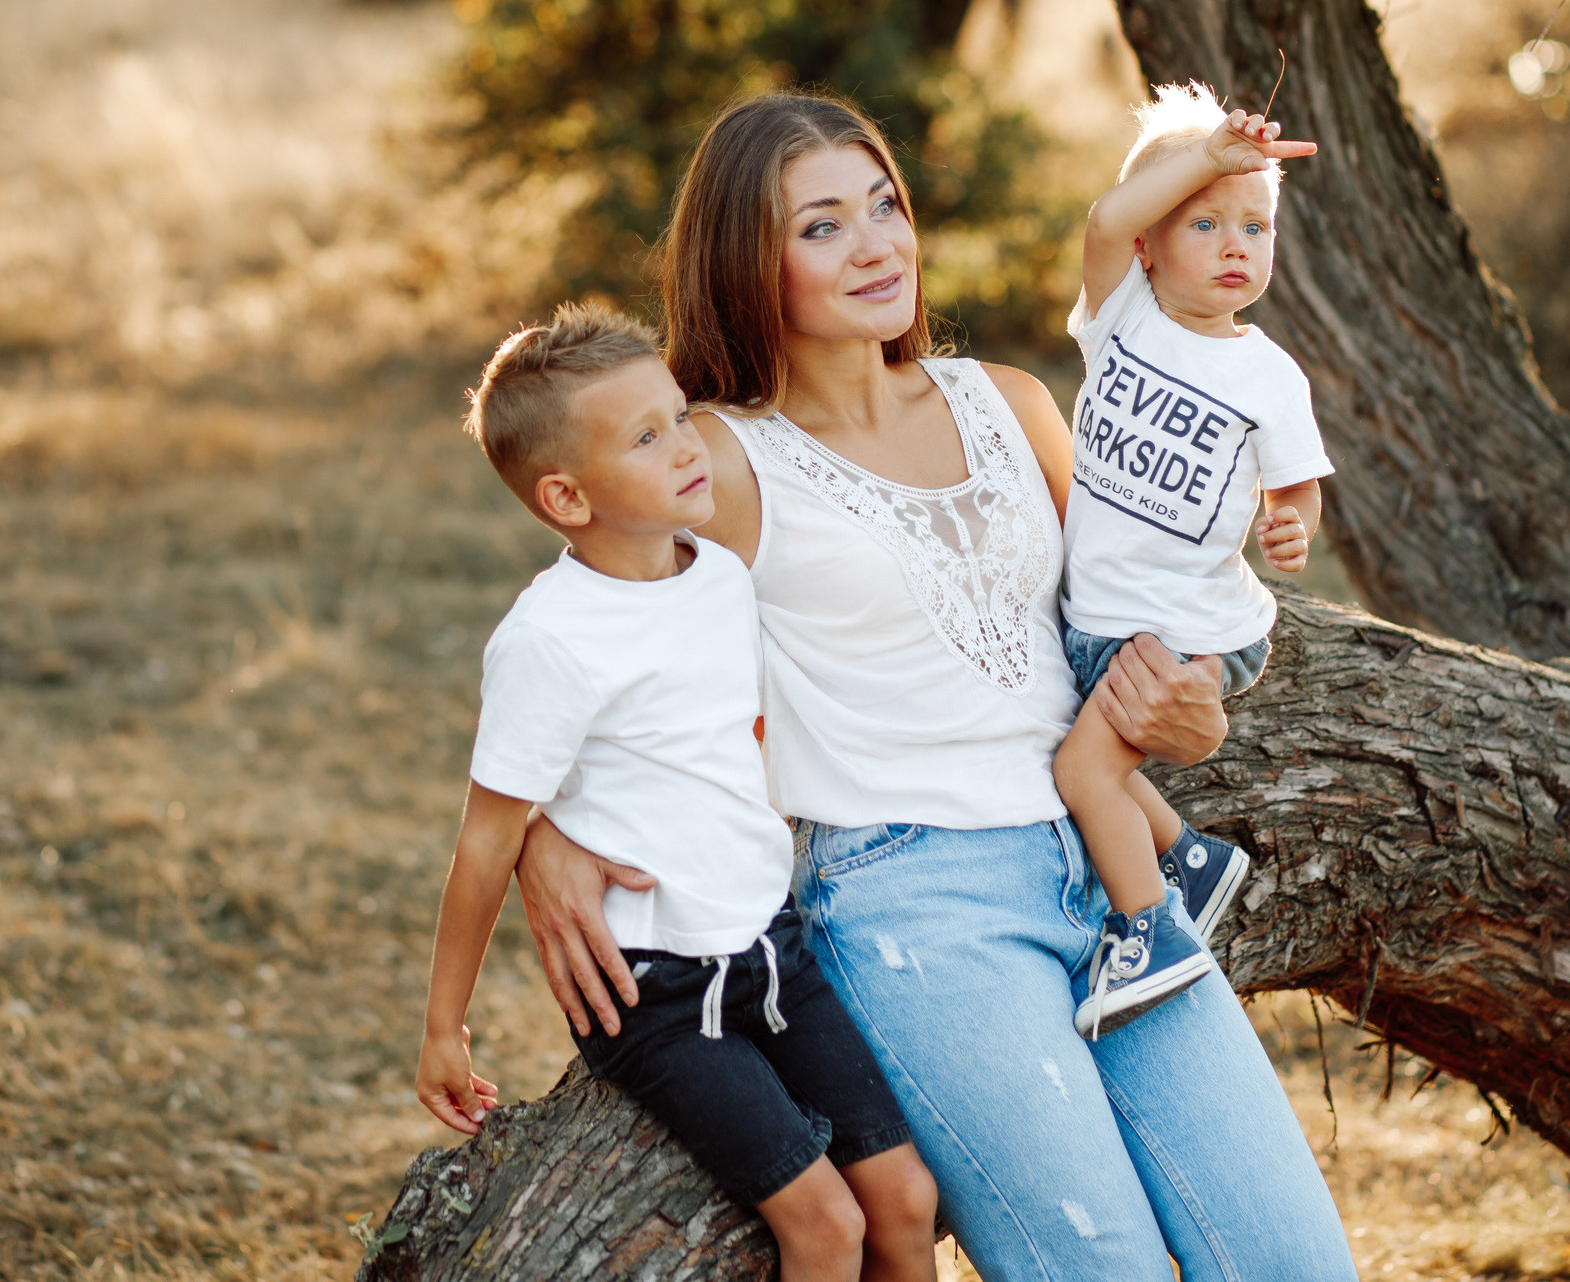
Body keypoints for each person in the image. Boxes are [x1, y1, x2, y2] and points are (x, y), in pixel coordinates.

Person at [512, 95, 1358, 1282]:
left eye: (885, 207)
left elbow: (1117, 613)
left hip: (1113, 875)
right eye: (822, 226)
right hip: (914, 903)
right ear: (746, 263)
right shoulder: (723, 457)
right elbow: (585, 641)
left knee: (1294, 1263)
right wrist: (543, 834)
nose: (875, 246)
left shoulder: (1006, 400)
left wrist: (1188, 710)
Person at [415, 304, 940, 1282]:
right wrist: (445, 1026)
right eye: (645, 438)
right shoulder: (550, 640)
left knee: (905, 1199)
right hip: (653, 986)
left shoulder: (719, 576)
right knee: (826, 1225)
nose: (688, 446)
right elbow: (486, 841)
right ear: (567, 497)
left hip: (771, 943)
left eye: (679, 416)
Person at [1052, 81, 1335, 1036]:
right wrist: (1211, 154)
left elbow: (1297, 487)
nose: (1234, 245)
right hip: (1100, 617)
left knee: (1084, 774)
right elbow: (1103, 217)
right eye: (1204, 223)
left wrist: (1292, 525)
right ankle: (1194, 858)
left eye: (1254, 227)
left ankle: (1151, 928)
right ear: (1148, 245)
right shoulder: (1120, 316)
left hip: (1193, 629)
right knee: (1077, 756)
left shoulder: (1270, 375)